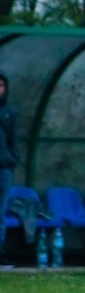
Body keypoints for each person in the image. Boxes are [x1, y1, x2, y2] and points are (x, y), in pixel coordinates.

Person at [0, 71, 20, 270]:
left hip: (4, 168)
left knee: (1, 212)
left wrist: (13, 160)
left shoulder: (10, 113)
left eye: (1, 86)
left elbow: (14, 140)